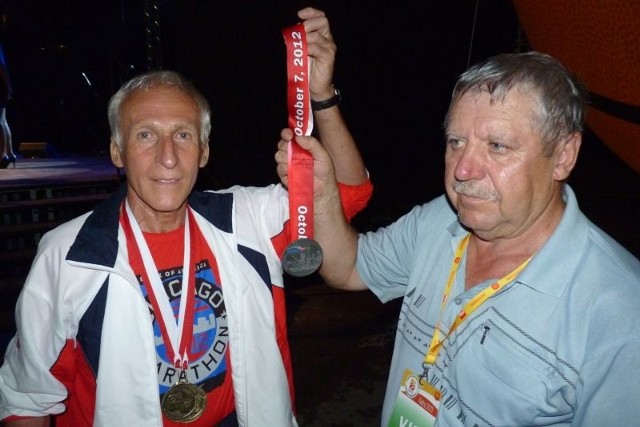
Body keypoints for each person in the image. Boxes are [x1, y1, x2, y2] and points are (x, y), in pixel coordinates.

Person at [0, 8, 371, 427]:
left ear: (205, 151)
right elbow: (27, 400)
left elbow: (343, 195)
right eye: (145, 135)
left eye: (183, 134)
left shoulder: (245, 218)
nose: (169, 157)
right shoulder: (70, 255)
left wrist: (320, 96)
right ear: (117, 152)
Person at [280, 51, 640, 426]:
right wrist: (321, 193)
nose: (463, 170)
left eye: (497, 146)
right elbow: (349, 267)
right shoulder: (439, 219)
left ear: (564, 155)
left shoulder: (620, 315)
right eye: (455, 142)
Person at [0, 40, 15, 168]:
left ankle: (2, 155)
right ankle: (10, 153)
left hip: (0, 86)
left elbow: (1, 66)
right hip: (2, 86)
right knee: (3, 121)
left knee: (0, 122)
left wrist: (8, 85)